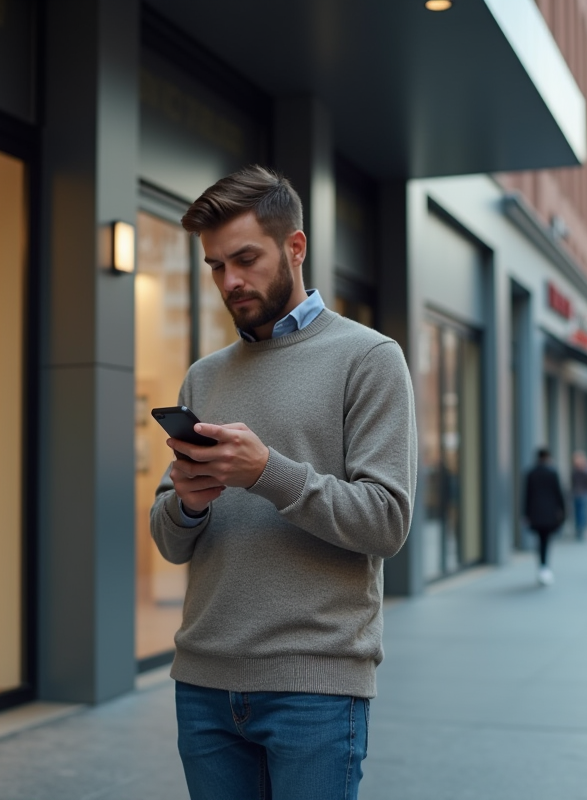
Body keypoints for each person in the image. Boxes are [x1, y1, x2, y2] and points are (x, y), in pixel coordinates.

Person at [149, 166, 418, 800]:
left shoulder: (370, 358)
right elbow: (169, 539)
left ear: (294, 248)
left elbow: (386, 522)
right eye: (216, 266)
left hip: (316, 687)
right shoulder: (204, 375)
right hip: (205, 682)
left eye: (245, 259)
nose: (230, 281)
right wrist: (186, 504)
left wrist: (266, 472)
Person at [525, 448, 567, 585]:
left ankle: (542, 566)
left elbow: (527, 496)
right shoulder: (552, 472)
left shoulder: (531, 473)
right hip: (549, 513)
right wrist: (563, 511)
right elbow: (559, 493)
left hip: (535, 513)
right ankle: (545, 567)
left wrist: (525, 513)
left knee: (540, 540)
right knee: (546, 540)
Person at [570, 451, 587, 540]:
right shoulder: (575, 470)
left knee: (583, 513)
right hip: (576, 494)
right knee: (577, 513)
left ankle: (582, 530)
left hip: (584, 494)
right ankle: (578, 530)